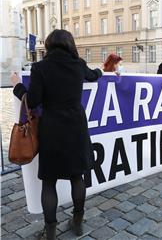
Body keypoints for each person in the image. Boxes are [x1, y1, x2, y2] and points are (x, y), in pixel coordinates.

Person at [10, 29, 103, 240]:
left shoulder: (40, 67)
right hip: (76, 126)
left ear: (49, 46)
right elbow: (93, 75)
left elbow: (32, 102)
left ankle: (50, 231)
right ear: (70, 45)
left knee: (49, 181)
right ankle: (77, 222)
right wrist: (104, 70)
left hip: (52, 128)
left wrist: (17, 85)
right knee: (77, 176)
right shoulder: (78, 64)